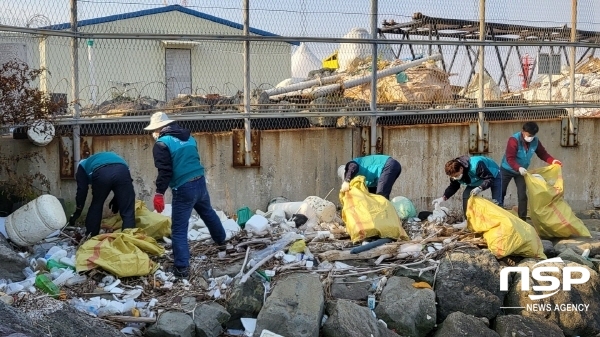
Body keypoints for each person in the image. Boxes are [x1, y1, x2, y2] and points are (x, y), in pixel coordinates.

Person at [144, 111, 226, 278]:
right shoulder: (189, 137)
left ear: (158, 129)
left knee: (179, 228)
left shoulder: (162, 144)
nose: (153, 134)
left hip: (183, 187)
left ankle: (181, 268)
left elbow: (165, 171)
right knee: (207, 212)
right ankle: (221, 241)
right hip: (200, 180)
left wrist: (159, 193)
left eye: (154, 131)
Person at [500, 121, 562, 221]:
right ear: (523, 131)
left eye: (533, 135)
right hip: (507, 169)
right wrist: (518, 168)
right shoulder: (513, 140)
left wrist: (553, 161)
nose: (531, 137)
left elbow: (543, 154)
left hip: (522, 171)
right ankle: (499, 215)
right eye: (529, 135)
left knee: (522, 195)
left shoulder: (535, 141)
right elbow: (510, 158)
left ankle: (522, 219)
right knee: (501, 192)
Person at [69, 152, 136, 237]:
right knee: (128, 210)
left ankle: (91, 236)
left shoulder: (81, 166)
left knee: (97, 204)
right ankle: (129, 239)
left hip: (101, 173)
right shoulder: (109, 157)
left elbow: (82, 191)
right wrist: (118, 199)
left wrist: (77, 212)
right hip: (122, 169)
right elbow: (123, 182)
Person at [432, 155, 502, 216]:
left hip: (493, 174)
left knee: (496, 201)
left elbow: (489, 178)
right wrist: (443, 198)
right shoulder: (455, 175)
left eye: (456, 175)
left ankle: (502, 222)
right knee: (466, 195)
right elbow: (453, 187)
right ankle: (467, 221)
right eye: (453, 177)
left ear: (461, 168)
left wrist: (480, 188)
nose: (455, 178)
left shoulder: (476, 165)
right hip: (476, 178)